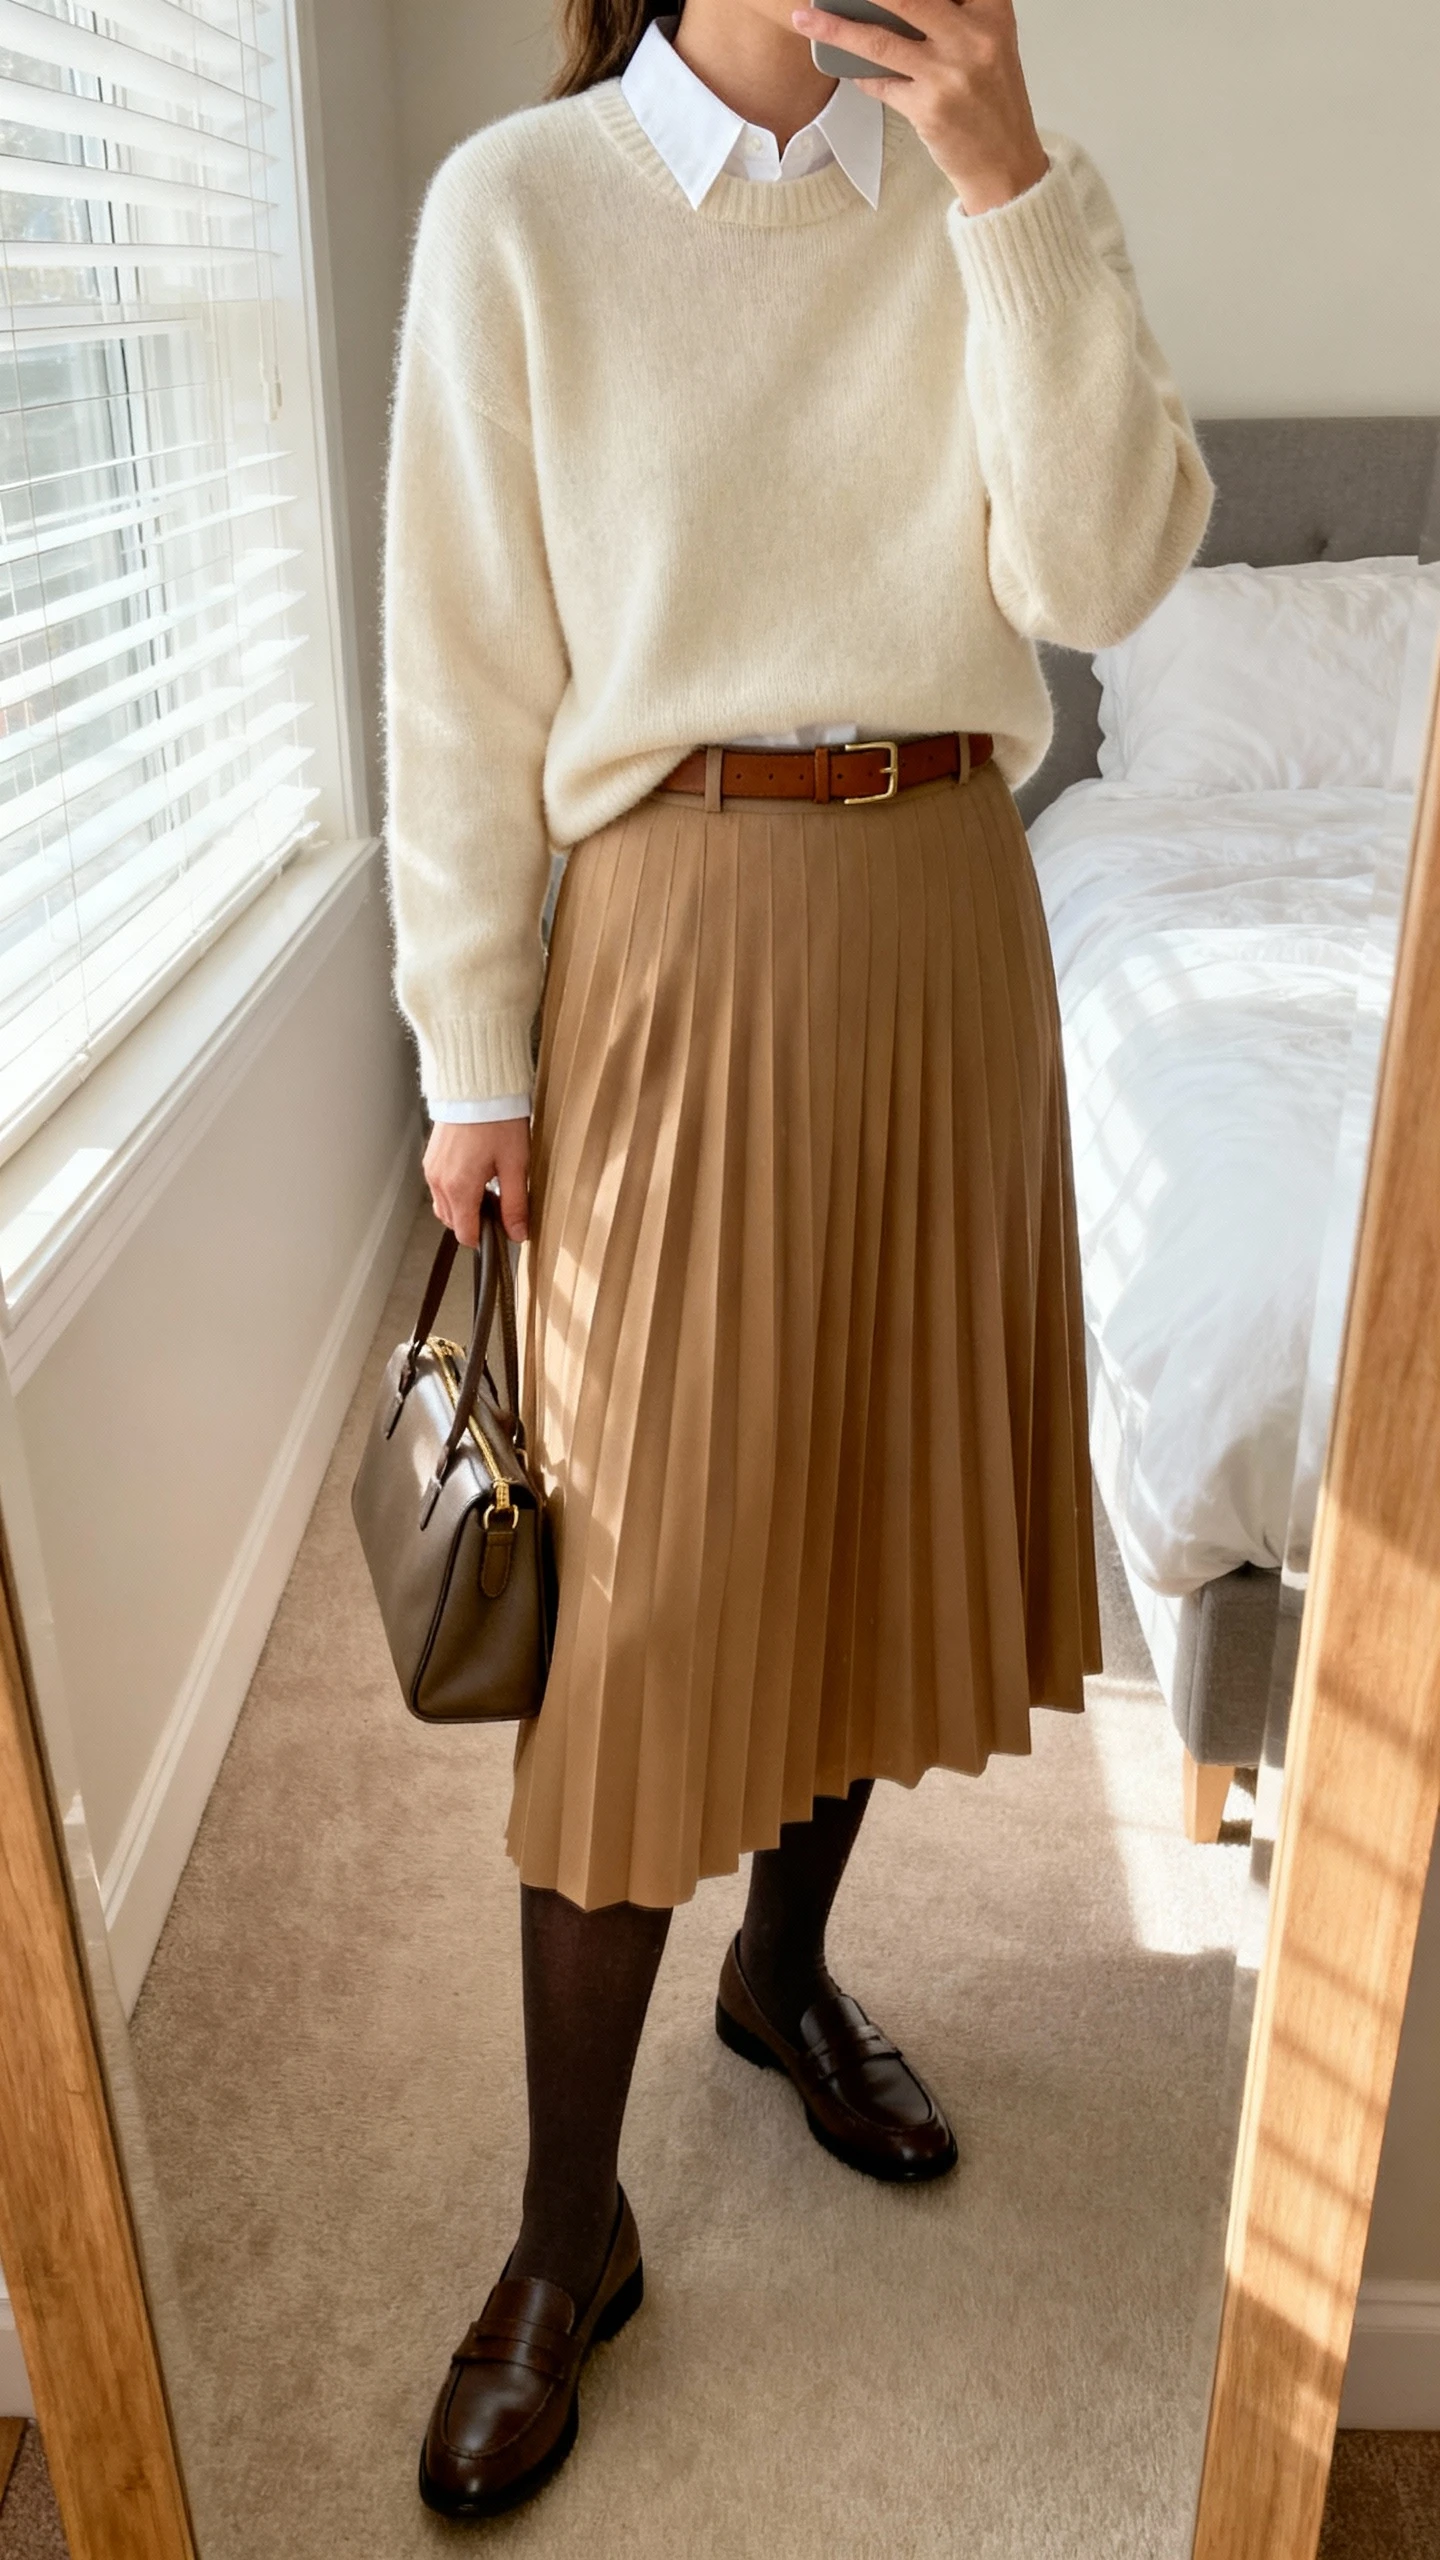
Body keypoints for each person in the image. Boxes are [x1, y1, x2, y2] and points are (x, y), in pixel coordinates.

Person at [385, 0, 1211, 2518]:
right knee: (640, 1614)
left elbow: (1106, 573)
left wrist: (1006, 185)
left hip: (954, 919)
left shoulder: (995, 197)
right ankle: (562, 2238)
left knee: (865, 1512)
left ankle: (783, 1966)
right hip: (675, 929)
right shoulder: (519, 214)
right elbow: (455, 670)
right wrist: (472, 1051)